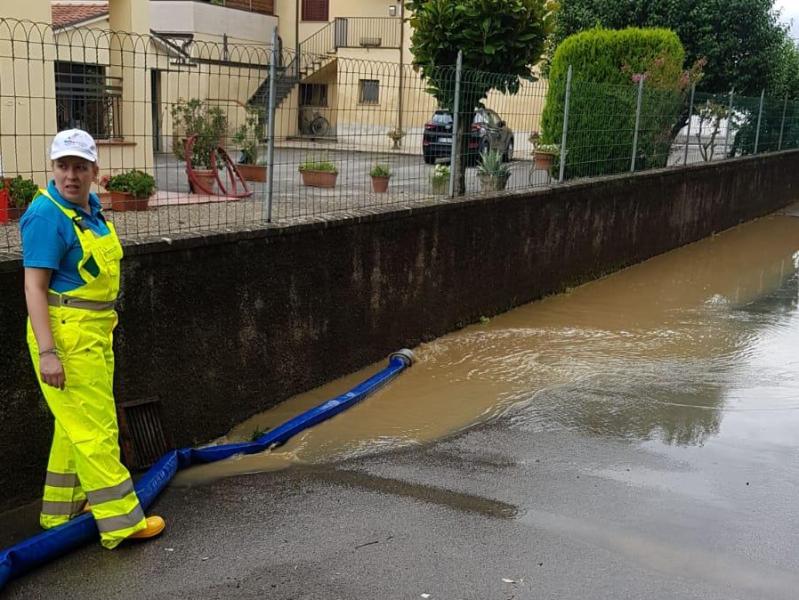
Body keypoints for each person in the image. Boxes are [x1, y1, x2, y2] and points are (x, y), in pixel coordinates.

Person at [20, 129, 165, 549]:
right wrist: (48, 353)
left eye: (80, 167)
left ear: (94, 172)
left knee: (73, 427)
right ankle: (122, 523)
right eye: (63, 166)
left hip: (93, 332)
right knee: (97, 430)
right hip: (66, 337)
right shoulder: (47, 216)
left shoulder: (89, 209)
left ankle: (59, 511)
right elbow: (33, 288)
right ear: (52, 168)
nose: (71, 175)